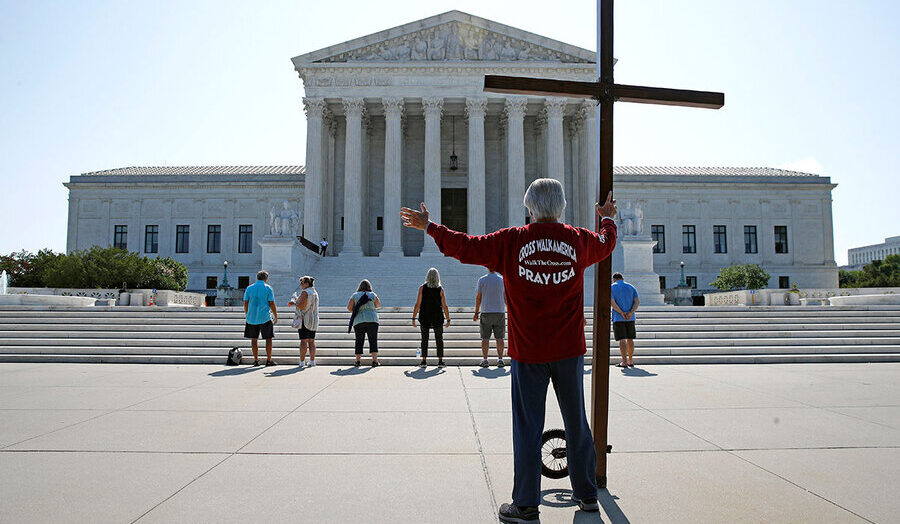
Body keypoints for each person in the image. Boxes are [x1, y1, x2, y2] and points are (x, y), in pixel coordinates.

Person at [401, 179, 618, 523]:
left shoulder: (512, 241)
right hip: (568, 348)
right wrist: (607, 218)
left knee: (528, 426)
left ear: (530, 209)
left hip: (528, 349)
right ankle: (587, 494)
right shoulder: (578, 239)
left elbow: (466, 246)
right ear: (561, 207)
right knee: (576, 422)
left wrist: (430, 227)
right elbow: (607, 244)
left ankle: (526, 504)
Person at [412, 267, 451, 367]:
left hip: (425, 315)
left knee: (424, 338)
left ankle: (424, 361)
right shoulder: (440, 289)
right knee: (439, 339)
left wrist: (413, 317)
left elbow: (417, 304)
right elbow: (445, 306)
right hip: (437, 316)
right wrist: (448, 318)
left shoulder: (422, 288)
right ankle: (440, 361)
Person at [243, 270, 278, 366]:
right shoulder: (268, 288)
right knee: (268, 339)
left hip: (251, 317)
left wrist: (247, 313)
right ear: (266, 279)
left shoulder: (249, 288)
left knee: (254, 339)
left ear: (257, 278)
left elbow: (246, 302)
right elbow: (271, 303)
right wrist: (275, 315)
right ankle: (269, 360)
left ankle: (256, 359)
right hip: (265, 317)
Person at [474, 268, 506, 368]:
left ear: (487, 268)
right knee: (499, 337)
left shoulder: (482, 280)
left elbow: (478, 297)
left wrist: (476, 312)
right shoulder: (502, 280)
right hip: (499, 311)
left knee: (485, 338)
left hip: (486, 311)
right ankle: (500, 359)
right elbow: (506, 297)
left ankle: (485, 359)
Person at [348, 279, 381, 367]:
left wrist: (357, 308)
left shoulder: (355, 295)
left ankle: (358, 361)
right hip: (372, 319)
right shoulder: (373, 295)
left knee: (359, 340)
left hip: (359, 320)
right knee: (373, 340)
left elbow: (349, 308)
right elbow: (378, 305)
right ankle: (375, 361)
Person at [289, 275, 319, 368]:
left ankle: (302, 361)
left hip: (304, 319)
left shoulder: (305, 292)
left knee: (303, 341)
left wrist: (294, 302)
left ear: (306, 283)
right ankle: (312, 360)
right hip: (313, 319)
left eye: (302, 283)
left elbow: (301, 306)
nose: (301, 285)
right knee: (311, 341)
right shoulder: (314, 292)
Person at [611, 272, 639, 368]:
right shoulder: (631, 287)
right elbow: (637, 302)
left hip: (618, 318)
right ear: (622, 278)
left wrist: (621, 313)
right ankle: (630, 360)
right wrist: (631, 312)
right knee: (630, 339)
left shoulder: (612, 287)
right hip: (630, 317)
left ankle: (624, 362)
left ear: (614, 279)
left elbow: (612, 302)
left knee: (622, 339)